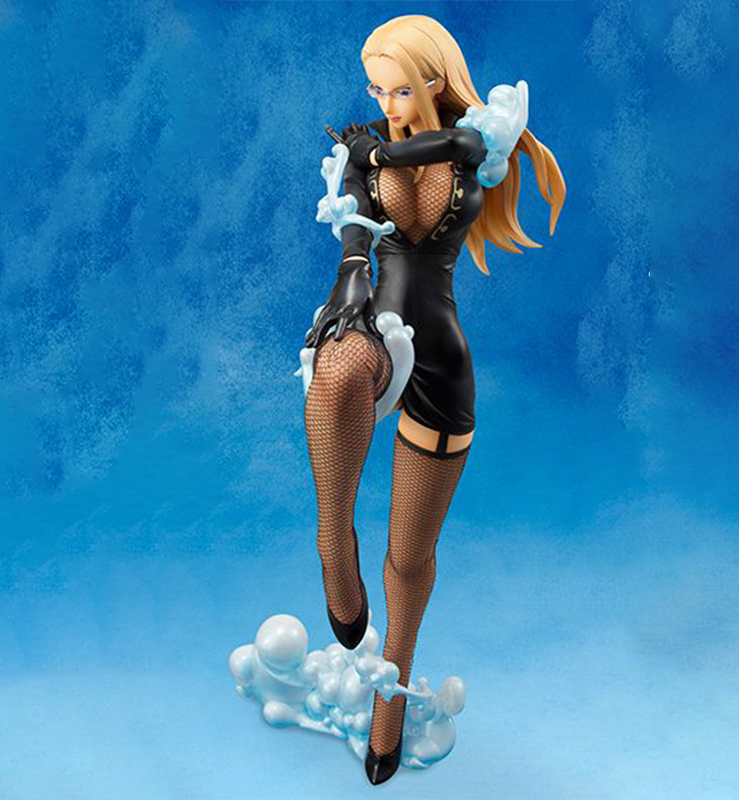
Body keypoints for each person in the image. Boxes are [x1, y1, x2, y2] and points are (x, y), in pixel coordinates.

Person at [303, 14, 565, 785]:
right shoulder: (365, 152)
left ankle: (391, 699)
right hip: (379, 331)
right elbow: (357, 231)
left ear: (433, 82)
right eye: (375, 90)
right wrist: (351, 278)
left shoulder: (472, 142)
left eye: (398, 89)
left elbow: (448, 147)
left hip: (442, 363)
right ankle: (332, 545)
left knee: (410, 559)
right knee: (334, 375)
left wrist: (376, 152)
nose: (384, 104)